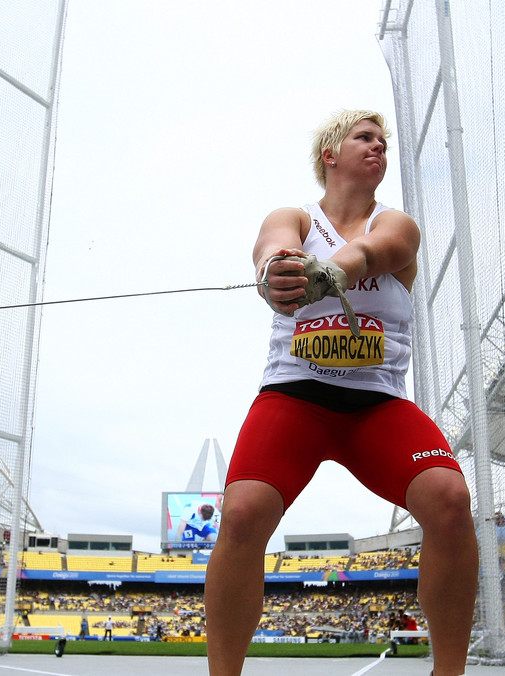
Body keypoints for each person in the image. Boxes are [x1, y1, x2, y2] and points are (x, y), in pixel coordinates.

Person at [203, 109, 479, 676]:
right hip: (294, 397)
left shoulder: (397, 223)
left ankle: (449, 672)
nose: (378, 146)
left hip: (376, 405)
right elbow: (273, 248)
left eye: (383, 141)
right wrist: (275, 270)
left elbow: (373, 253)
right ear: (331, 154)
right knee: (242, 514)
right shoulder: (295, 216)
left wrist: (330, 271)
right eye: (364, 138)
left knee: (450, 501)